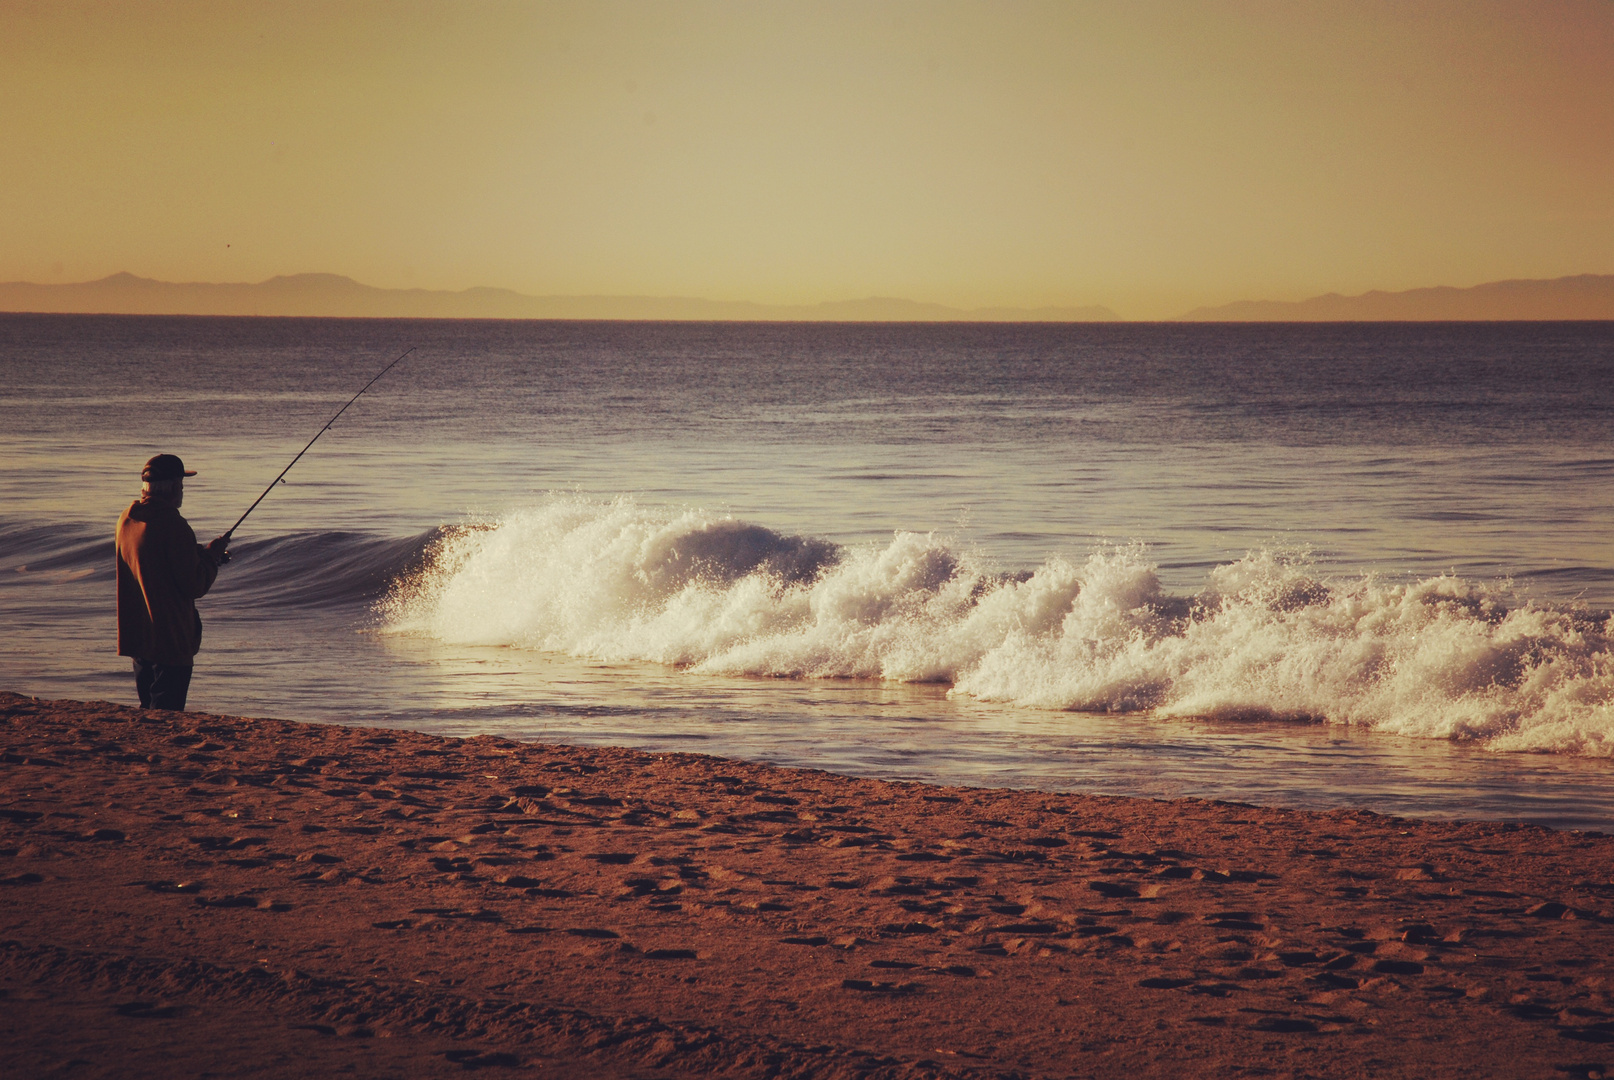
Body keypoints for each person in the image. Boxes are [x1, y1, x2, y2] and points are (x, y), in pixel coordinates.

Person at [115, 453, 231, 711]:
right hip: (171, 640)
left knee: (148, 708)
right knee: (167, 715)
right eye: (181, 484)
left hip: (140, 636)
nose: (182, 491)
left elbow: (155, 560)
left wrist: (203, 552)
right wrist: (211, 561)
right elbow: (195, 585)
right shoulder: (173, 524)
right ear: (173, 487)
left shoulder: (126, 520)